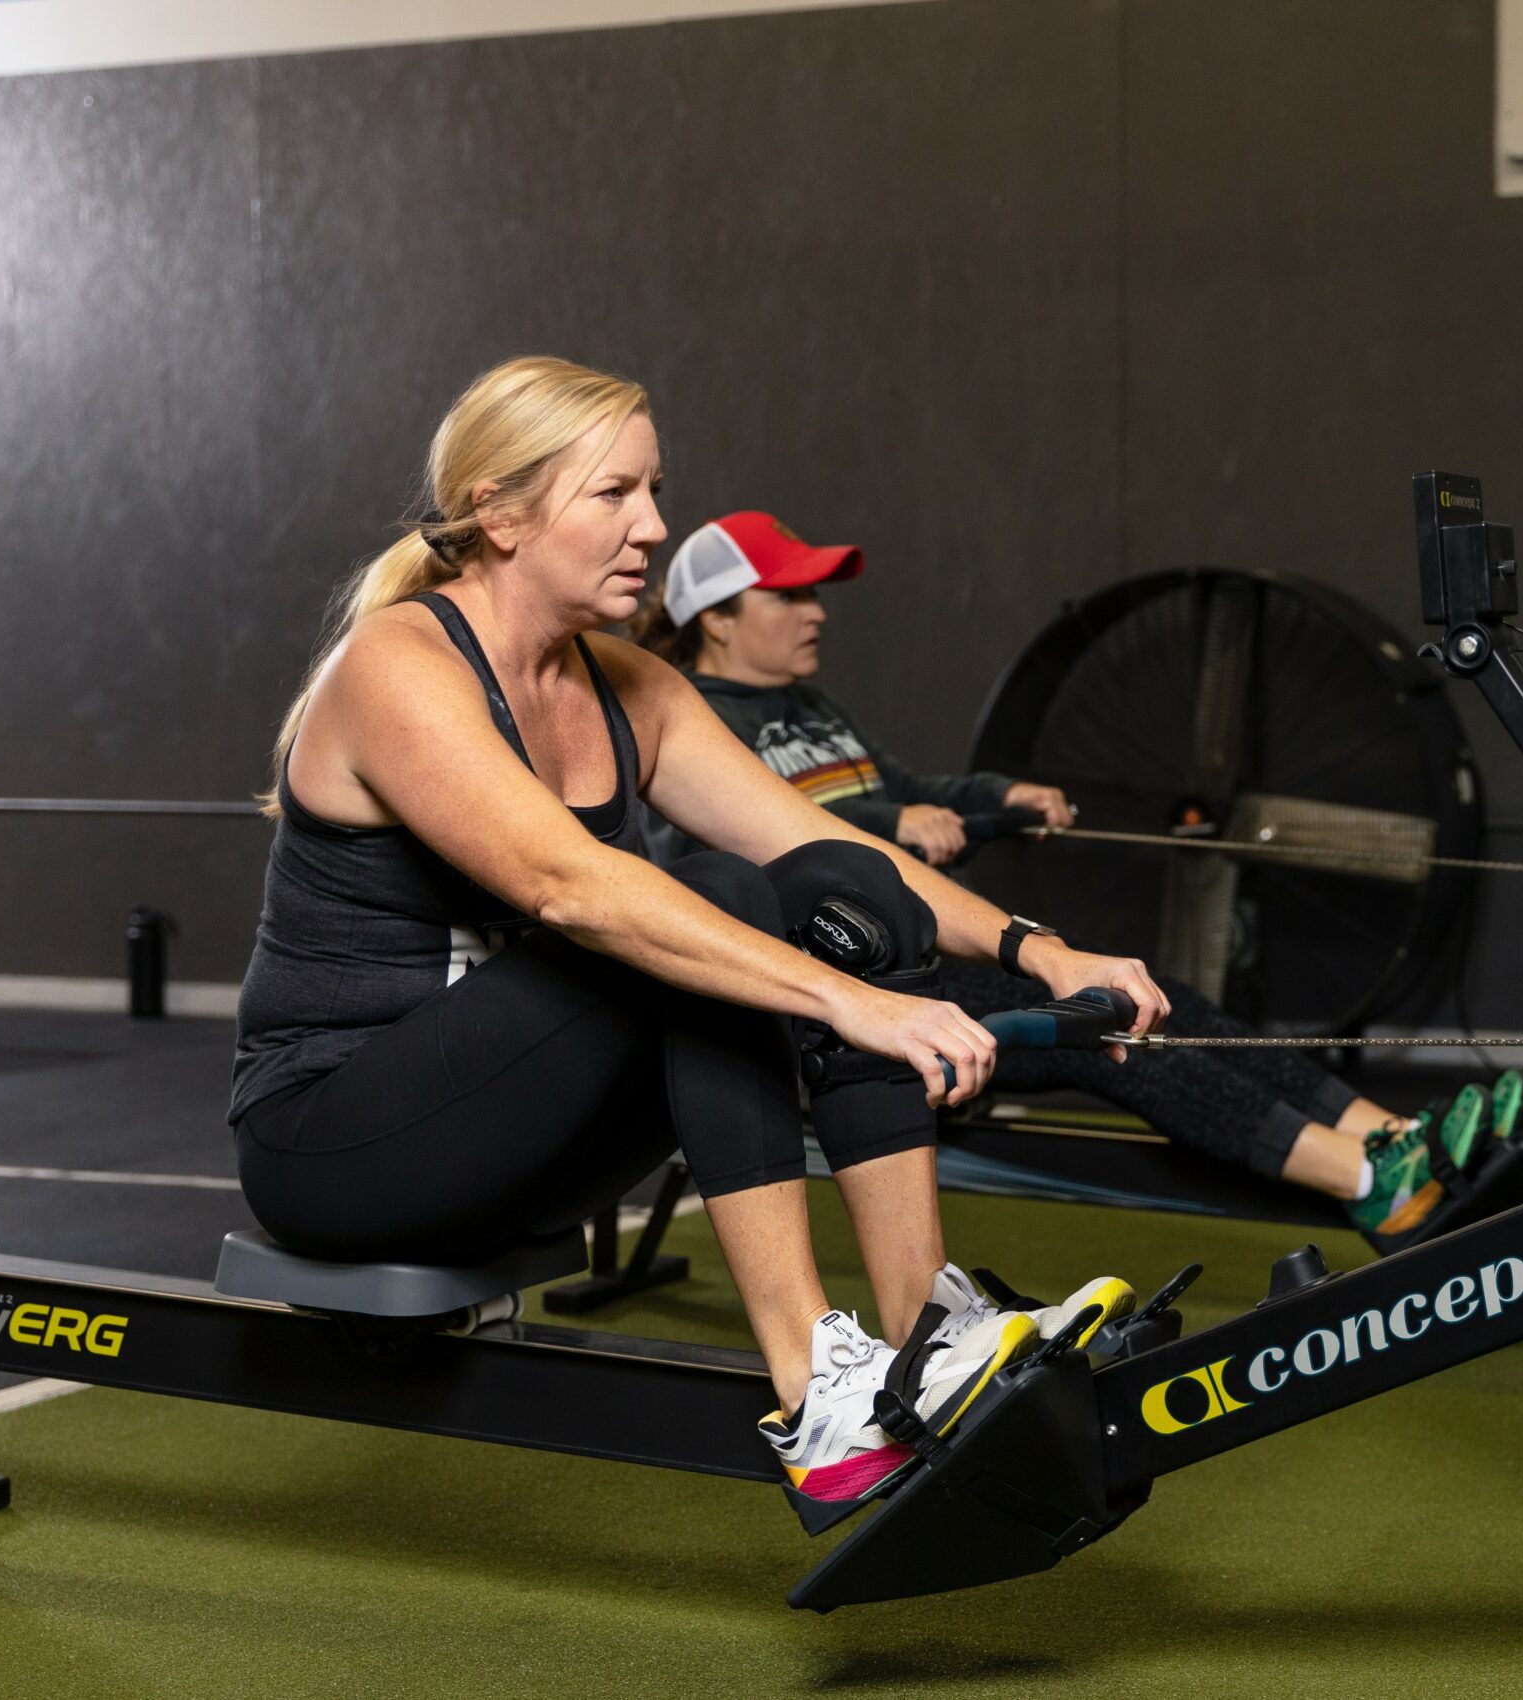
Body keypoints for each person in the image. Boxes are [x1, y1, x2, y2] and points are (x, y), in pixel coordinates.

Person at [229, 357, 1173, 1516]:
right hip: (335, 1143)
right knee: (713, 895)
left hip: (516, 1136)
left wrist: (1038, 948)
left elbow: (832, 845)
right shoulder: (398, 665)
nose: (653, 525)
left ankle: (929, 1329)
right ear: (500, 513)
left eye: (655, 490)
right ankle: (815, 1390)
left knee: (842, 888)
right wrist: (846, 1001)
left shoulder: (628, 685)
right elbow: (572, 888)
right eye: (614, 493)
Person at [633, 511, 1523, 1245]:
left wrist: (1000, 797)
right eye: (788, 595)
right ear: (718, 618)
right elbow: (730, 859)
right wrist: (885, 826)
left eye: (814, 593)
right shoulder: (693, 720)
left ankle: (1392, 1133)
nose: (816, 612)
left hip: (922, 957)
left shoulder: (810, 707)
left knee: (1154, 995)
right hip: (846, 999)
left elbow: (911, 793)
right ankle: (1368, 1180)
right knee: (1107, 1032)